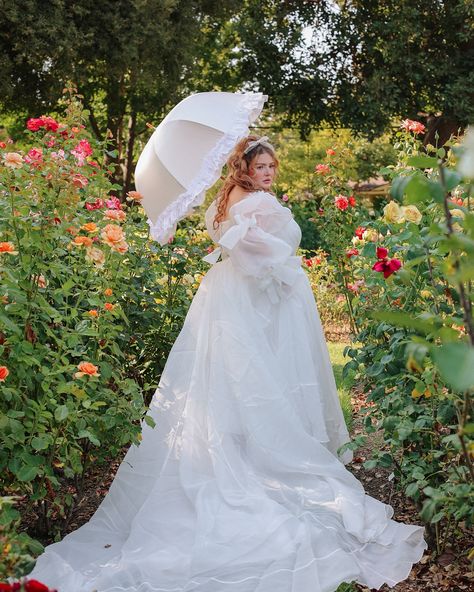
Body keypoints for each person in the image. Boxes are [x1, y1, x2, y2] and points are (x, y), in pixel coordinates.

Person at [30, 135, 427, 592]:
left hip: (229, 296)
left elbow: (240, 246)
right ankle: (259, 454)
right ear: (244, 167)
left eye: (272, 166)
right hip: (255, 299)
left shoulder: (226, 200)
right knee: (256, 379)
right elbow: (260, 254)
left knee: (230, 381)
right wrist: (284, 266)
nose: (269, 172)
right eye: (261, 166)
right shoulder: (253, 201)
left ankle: (242, 445)